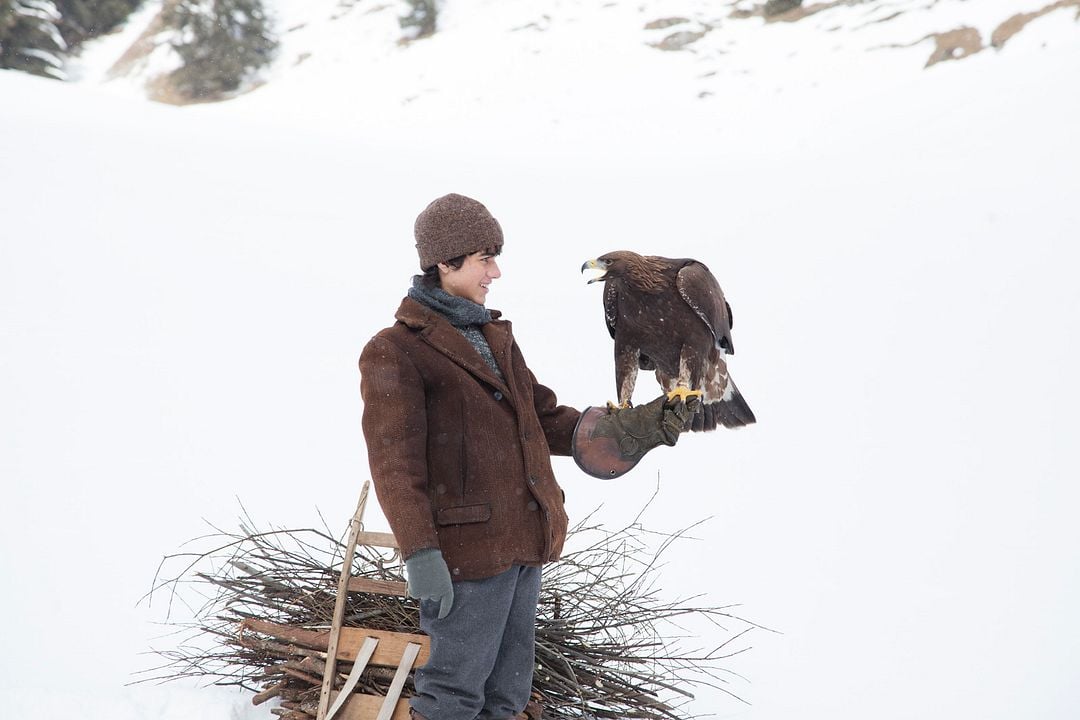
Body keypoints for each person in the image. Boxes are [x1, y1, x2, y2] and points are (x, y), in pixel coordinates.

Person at [359, 193, 696, 720]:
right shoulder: (396, 350)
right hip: (464, 557)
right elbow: (395, 465)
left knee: (507, 695)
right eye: (484, 259)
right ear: (445, 263)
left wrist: (629, 430)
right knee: (454, 694)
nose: (496, 271)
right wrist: (420, 553)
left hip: (524, 544)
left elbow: (539, 418)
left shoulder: (492, 336)